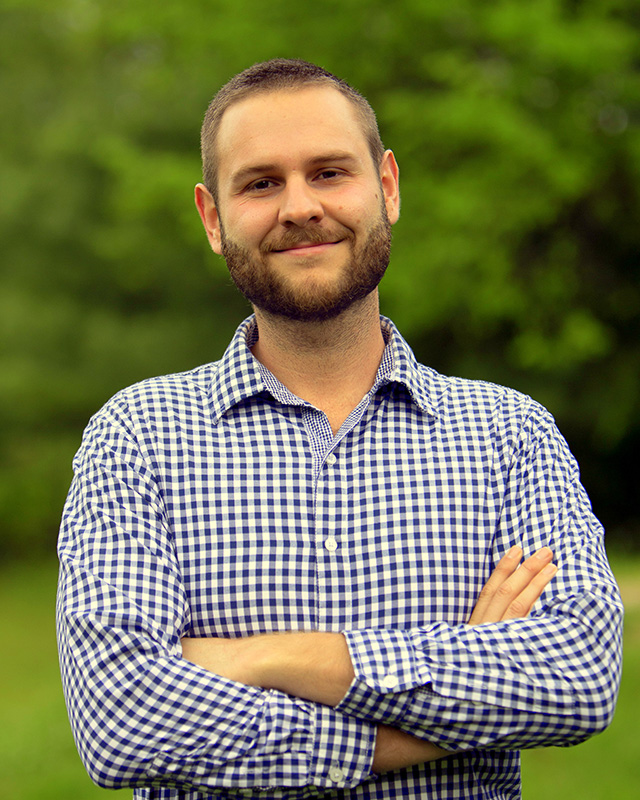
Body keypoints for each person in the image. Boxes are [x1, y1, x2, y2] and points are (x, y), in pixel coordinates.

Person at [56, 58, 623, 800]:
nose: (299, 207)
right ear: (212, 218)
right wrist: (432, 718)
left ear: (387, 187)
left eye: (329, 172)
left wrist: (271, 659)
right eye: (261, 183)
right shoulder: (135, 437)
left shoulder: (511, 435)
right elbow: (121, 720)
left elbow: (579, 676)